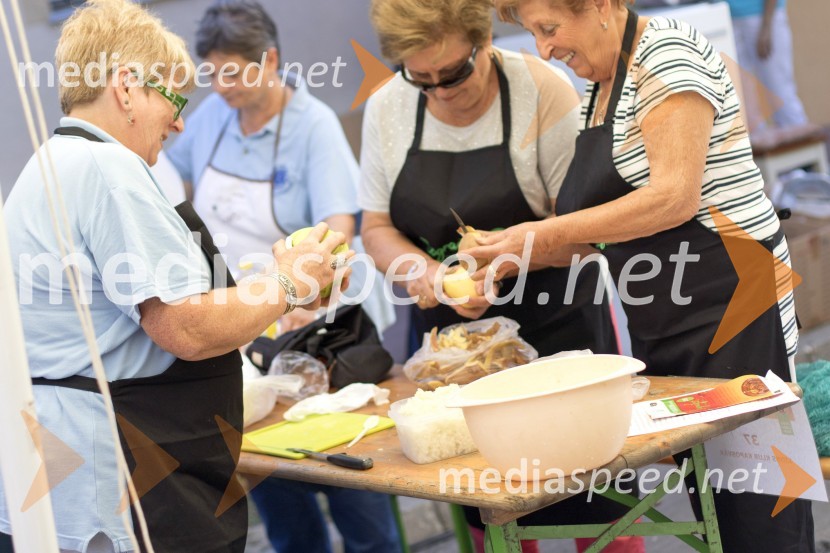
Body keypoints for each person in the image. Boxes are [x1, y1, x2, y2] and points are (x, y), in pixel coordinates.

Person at [0, 0, 348, 551]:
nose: (181, 121)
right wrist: (287, 284)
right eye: (175, 98)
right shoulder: (106, 170)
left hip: (67, 470)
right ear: (126, 88)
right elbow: (184, 328)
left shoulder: (48, 164)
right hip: (125, 476)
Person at [472, 0, 816, 551]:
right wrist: (508, 256)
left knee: (759, 501)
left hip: (733, 302)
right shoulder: (600, 88)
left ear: (602, 6)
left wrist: (540, 234)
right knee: (716, 499)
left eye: (550, 28)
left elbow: (674, 196)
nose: (544, 49)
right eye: (533, 33)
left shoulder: (667, 54)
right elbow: (602, 233)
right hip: (668, 316)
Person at [361, 1, 643, 552]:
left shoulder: (543, 90)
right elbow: (375, 227)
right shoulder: (386, 108)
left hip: (563, 334)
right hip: (456, 352)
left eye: (455, 73)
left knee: (600, 509)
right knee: (494, 516)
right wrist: (424, 272)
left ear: (484, 40)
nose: (440, 92)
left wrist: (512, 257)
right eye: (421, 79)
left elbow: (587, 234)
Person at [165, 2, 400, 553]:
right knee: (272, 477)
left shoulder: (311, 125)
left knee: (348, 481)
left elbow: (340, 226)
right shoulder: (213, 118)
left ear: (268, 60)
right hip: (251, 331)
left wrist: (299, 294)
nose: (219, 86)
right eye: (212, 73)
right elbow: (174, 184)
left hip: (321, 329)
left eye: (232, 72)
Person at [726, 0, 808, 131]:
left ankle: (803, 145)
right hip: (725, 17)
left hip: (761, 16)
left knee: (779, 91)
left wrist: (766, 27)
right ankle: (758, 148)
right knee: (742, 98)